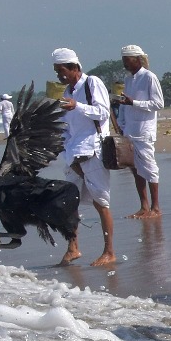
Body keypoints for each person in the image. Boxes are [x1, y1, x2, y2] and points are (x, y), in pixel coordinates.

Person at [51, 46, 117, 267]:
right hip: (73, 153)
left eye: (61, 71)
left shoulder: (92, 83)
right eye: (57, 72)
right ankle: (73, 248)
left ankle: (109, 251)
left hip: (93, 150)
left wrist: (77, 106)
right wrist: (61, 144)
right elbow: (67, 127)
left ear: (74, 67)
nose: (59, 76)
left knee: (101, 202)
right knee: (70, 203)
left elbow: (103, 112)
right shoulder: (67, 92)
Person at [116, 44, 164, 219]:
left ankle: (155, 207)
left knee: (149, 168)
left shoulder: (149, 77)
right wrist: (121, 123)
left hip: (144, 130)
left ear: (137, 59)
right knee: (135, 168)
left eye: (127, 60)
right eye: (123, 60)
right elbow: (124, 105)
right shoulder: (128, 80)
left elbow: (158, 104)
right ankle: (144, 206)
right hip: (130, 130)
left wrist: (134, 103)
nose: (125, 64)